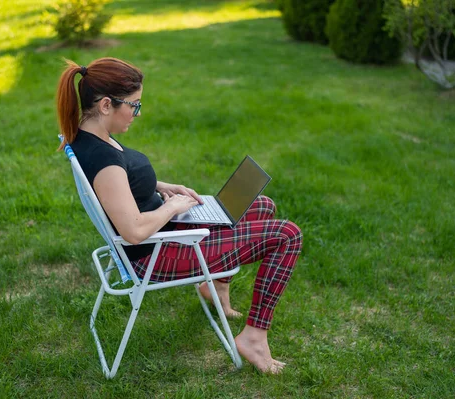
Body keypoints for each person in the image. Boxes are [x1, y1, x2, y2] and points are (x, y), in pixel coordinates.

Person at [56, 57, 303, 374]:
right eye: (134, 105)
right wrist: (171, 206)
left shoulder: (89, 135)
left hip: (165, 232)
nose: (138, 112)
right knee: (287, 235)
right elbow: (132, 230)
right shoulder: (104, 161)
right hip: (156, 254)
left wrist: (161, 187)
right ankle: (253, 338)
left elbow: (121, 186)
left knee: (262, 206)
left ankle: (215, 284)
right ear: (106, 104)